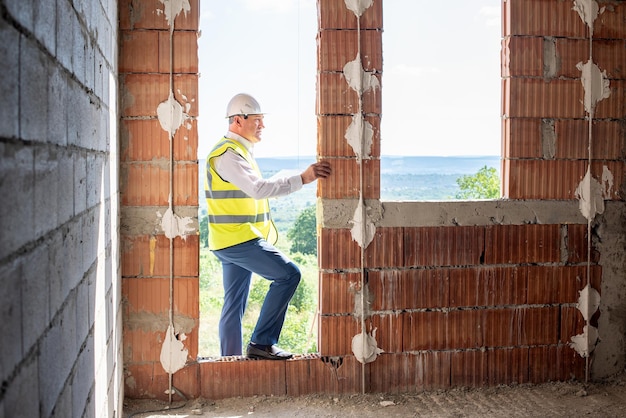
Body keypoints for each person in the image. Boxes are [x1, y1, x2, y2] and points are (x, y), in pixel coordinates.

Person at [204, 93, 332, 360]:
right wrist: (303, 178)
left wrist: (290, 176)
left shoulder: (238, 152)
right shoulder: (228, 155)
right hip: (238, 240)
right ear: (238, 120)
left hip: (228, 240)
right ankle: (262, 344)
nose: (262, 126)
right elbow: (259, 189)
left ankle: (229, 362)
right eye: (257, 120)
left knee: (233, 306)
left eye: (263, 120)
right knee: (288, 275)